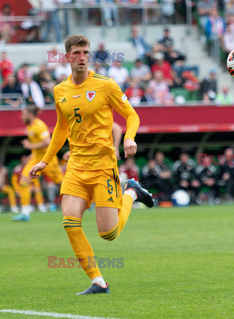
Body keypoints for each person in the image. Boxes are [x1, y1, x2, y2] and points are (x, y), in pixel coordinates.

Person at [28, 34, 154, 295]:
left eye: (85, 52)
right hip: (75, 166)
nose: (82, 57)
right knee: (69, 222)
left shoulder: (106, 85)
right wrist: (45, 161)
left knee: (108, 234)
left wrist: (129, 137)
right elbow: (61, 128)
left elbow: (131, 115)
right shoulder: (59, 90)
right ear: (67, 57)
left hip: (103, 166)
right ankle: (98, 281)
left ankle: (131, 191)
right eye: (76, 53)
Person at [12, 105, 64, 221]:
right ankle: (25, 213)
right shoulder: (29, 127)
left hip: (48, 160)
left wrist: (30, 146)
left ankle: (80, 204)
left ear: (30, 115)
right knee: (23, 181)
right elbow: (37, 146)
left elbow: (47, 142)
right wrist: (32, 153)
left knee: (62, 184)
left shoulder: (39, 126)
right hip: (36, 159)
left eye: (24, 115)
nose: (21, 117)